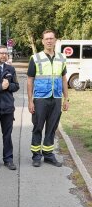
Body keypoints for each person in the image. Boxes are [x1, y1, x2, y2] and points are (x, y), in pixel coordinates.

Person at [27, 29, 69, 167]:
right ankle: (36, 156)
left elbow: (63, 79)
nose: (49, 41)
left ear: (55, 40)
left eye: (52, 38)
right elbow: (29, 80)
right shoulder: (36, 58)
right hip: (40, 98)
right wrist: (30, 101)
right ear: (42, 41)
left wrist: (66, 99)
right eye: (47, 39)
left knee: (52, 128)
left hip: (56, 98)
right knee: (38, 127)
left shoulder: (62, 58)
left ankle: (48, 154)